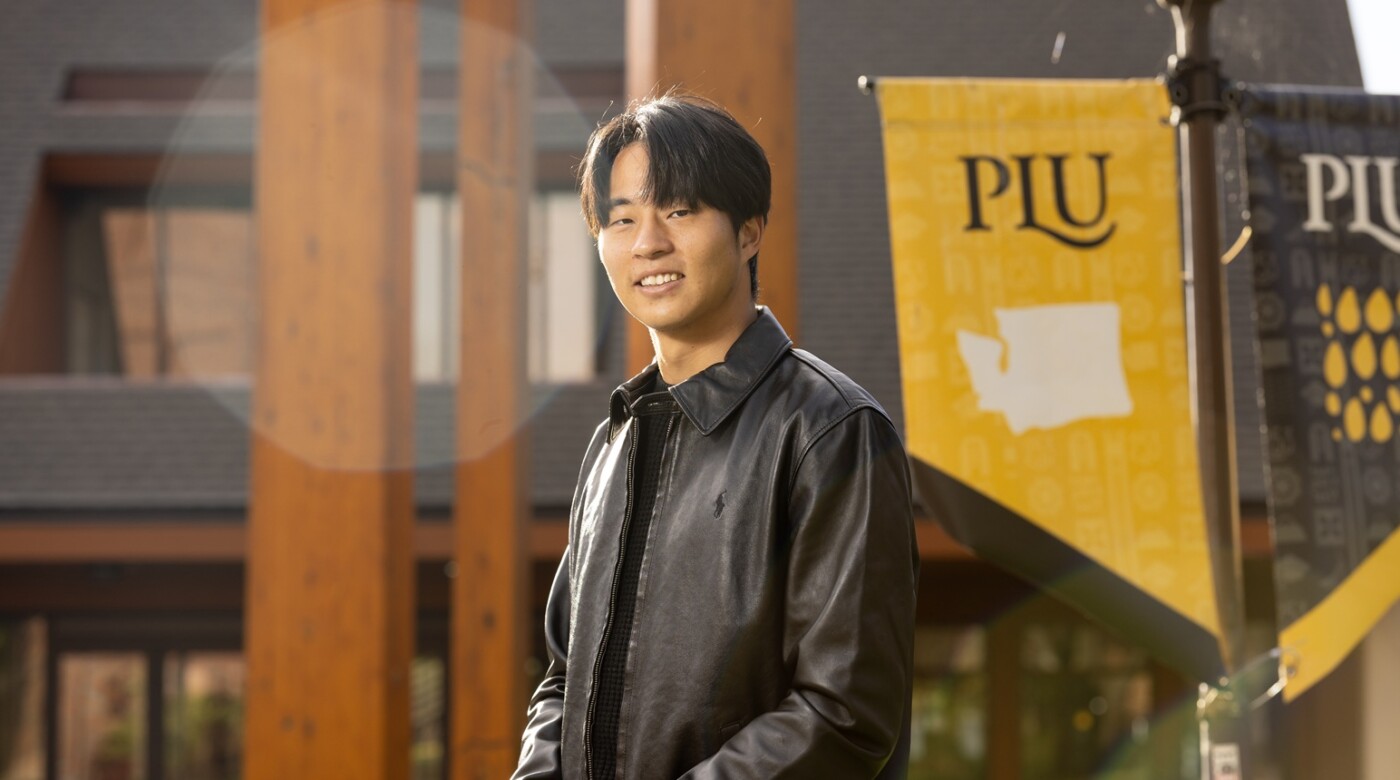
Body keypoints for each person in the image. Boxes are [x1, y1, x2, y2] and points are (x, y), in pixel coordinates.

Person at [512, 92, 917, 779]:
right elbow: (562, 681)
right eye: (622, 219)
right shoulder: (613, 443)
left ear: (749, 231)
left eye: (679, 211)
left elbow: (844, 714)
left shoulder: (829, 430)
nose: (648, 243)